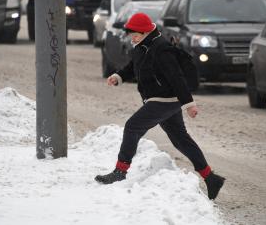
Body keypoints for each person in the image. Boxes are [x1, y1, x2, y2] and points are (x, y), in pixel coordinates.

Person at [95, 13, 225, 200]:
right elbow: (133, 66)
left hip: (165, 100)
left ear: (145, 31)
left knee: (133, 126)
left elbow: (176, 77)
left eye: (134, 33)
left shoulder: (161, 48)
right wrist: (119, 76)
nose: (132, 36)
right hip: (160, 100)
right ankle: (211, 178)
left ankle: (120, 171)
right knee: (180, 140)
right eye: (130, 33)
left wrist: (189, 103)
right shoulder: (142, 46)